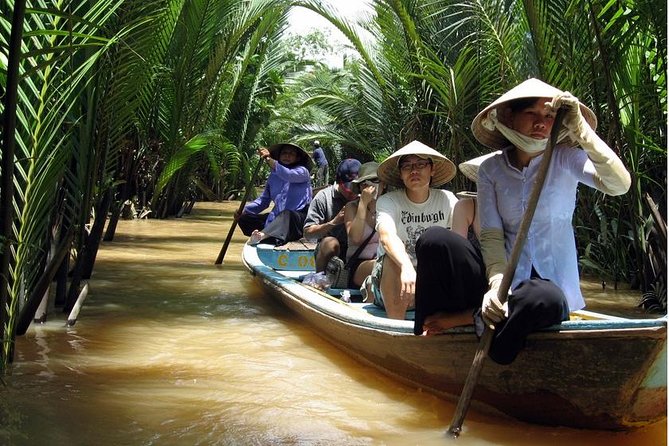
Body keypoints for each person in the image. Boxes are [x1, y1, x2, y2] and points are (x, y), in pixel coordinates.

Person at [415, 78, 631, 365]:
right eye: (532, 114)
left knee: (540, 295)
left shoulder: (567, 158)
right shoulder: (491, 169)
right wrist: (494, 286)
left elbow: (620, 185)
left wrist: (582, 132)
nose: (541, 123)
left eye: (550, 116)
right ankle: (421, 342)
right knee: (434, 239)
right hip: (504, 284)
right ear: (509, 117)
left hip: (548, 293)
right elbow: (490, 235)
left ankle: (477, 324)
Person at [361, 141, 459, 320]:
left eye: (420, 164)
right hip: (395, 279)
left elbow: (458, 243)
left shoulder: (448, 199)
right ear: (401, 174)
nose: (414, 170)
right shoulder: (389, 201)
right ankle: (395, 326)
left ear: (432, 169)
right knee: (392, 260)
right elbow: (386, 236)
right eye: (407, 166)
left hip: (432, 281)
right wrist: (406, 266)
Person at [234, 143, 313, 245]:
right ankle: (268, 236)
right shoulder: (273, 176)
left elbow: (288, 175)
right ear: (279, 156)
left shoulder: (303, 172)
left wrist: (268, 159)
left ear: (297, 158)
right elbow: (263, 201)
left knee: (287, 215)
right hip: (278, 219)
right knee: (245, 218)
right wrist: (243, 211)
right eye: (284, 153)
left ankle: (263, 235)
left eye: (291, 154)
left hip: (297, 220)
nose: (287, 155)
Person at [303, 159, 361, 272]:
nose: (353, 193)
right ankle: (320, 278)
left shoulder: (365, 197)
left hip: (358, 251)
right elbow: (308, 234)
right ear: (339, 182)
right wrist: (334, 222)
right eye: (349, 189)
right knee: (331, 243)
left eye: (356, 188)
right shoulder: (323, 197)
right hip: (328, 252)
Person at [343, 162, 382, 289]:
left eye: (374, 180)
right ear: (359, 187)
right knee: (384, 267)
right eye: (365, 183)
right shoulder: (352, 207)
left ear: (384, 184)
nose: (370, 185)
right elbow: (355, 238)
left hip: (386, 261)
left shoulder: (391, 206)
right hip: (358, 264)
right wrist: (364, 204)